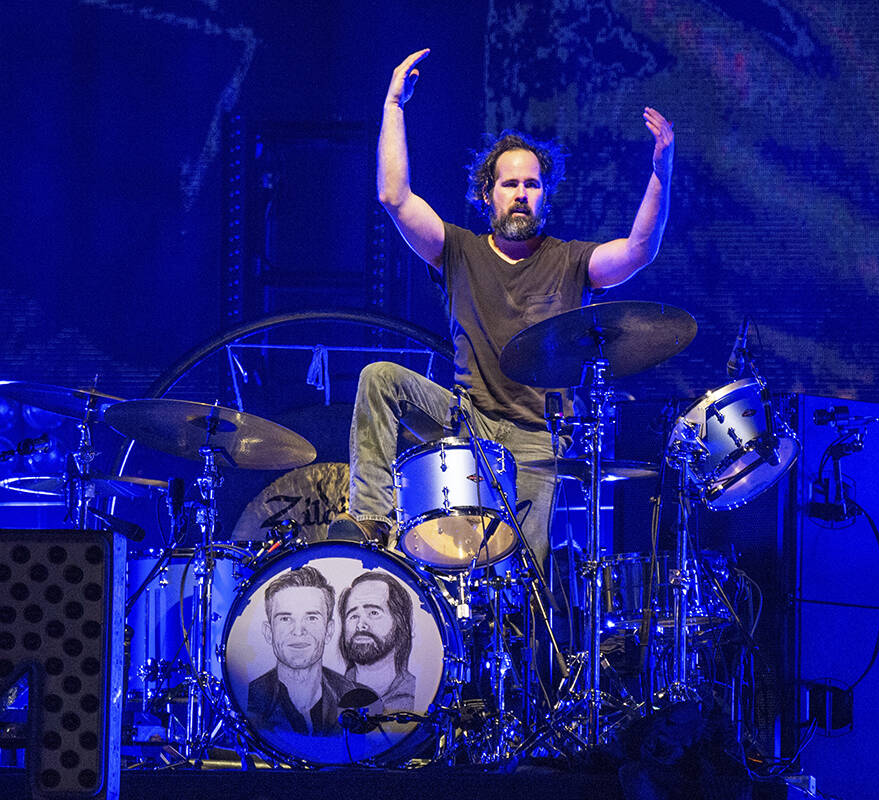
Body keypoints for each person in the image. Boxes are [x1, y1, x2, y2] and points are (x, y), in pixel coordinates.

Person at [328, 48, 674, 569]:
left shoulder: (570, 260)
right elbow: (394, 197)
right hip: (465, 419)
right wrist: (394, 106)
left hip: (537, 441)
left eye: (531, 185)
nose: (520, 194)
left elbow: (637, 251)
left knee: (523, 581)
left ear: (544, 196)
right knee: (380, 377)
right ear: (487, 194)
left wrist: (660, 173)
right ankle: (373, 521)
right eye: (509, 184)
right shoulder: (459, 250)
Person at [247, 565, 357, 736]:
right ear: (269, 632)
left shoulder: (354, 698)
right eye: (285, 618)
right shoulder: (248, 700)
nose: (298, 631)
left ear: (329, 630)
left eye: (311, 618)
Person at [338, 571, 416, 711]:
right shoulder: (329, 695)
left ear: (399, 622)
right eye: (353, 615)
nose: (361, 625)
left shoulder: (416, 694)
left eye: (373, 613)